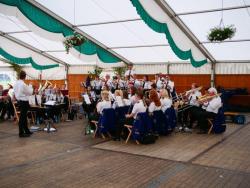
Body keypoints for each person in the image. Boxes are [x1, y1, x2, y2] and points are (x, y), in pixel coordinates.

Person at [13, 71, 33, 137]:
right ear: (25, 76)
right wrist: (30, 85)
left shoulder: (16, 83)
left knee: (23, 117)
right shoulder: (23, 84)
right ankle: (21, 133)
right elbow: (30, 93)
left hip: (19, 101)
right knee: (22, 118)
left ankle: (26, 131)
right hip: (24, 102)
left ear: (19, 76)